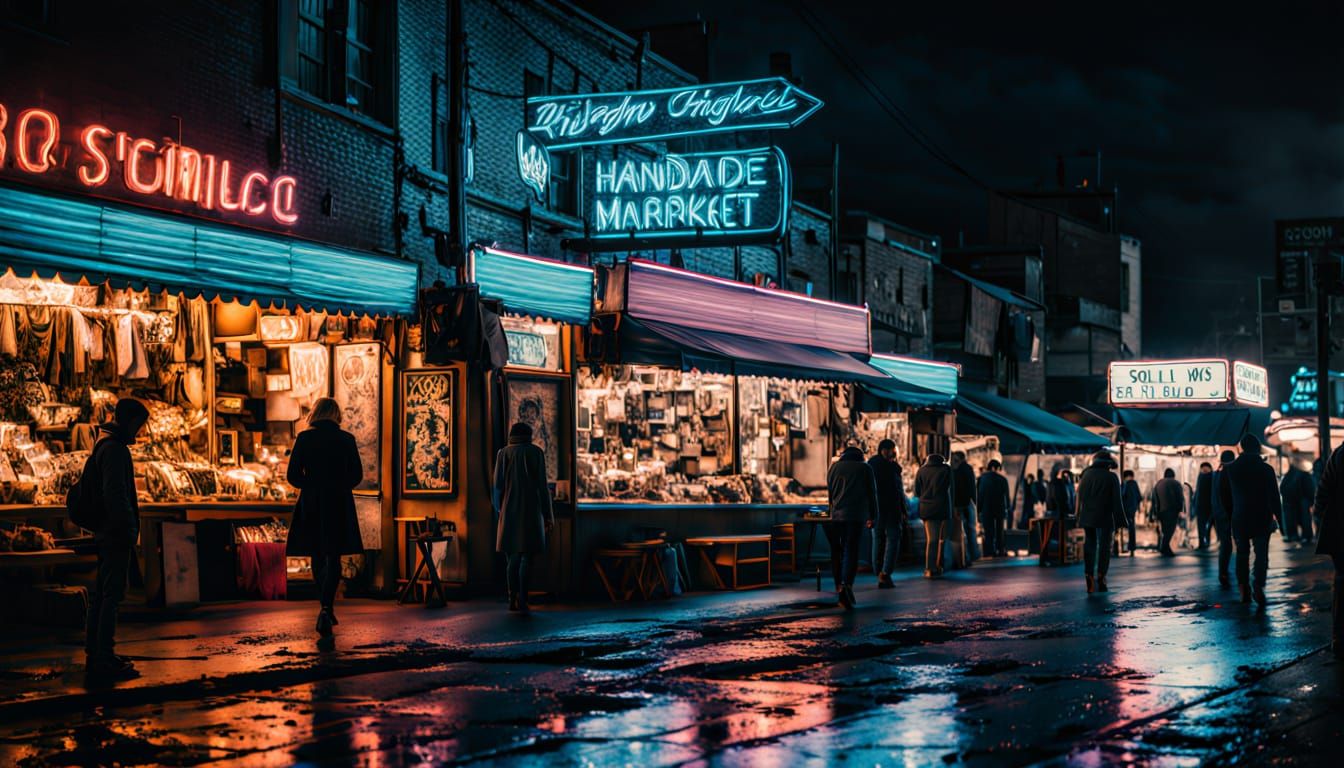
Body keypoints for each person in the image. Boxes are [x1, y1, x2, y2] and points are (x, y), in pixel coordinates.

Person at [83, 397, 150, 680]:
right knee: (111, 596)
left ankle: (96, 653)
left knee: (102, 595)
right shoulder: (114, 450)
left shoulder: (106, 444)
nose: (140, 430)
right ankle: (104, 657)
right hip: (115, 533)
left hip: (107, 531)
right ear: (130, 421)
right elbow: (116, 494)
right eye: (139, 424)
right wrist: (128, 528)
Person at [286, 397, 364, 635]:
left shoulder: (304, 438)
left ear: (315, 414)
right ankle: (327, 607)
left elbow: (292, 475)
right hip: (339, 502)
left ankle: (323, 606)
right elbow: (357, 475)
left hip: (313, 502)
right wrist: (339, 485)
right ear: (336, 415)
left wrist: (310, 485)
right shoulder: (346, 439)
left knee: (317, 554)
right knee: (334, 554)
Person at [493, 421, 555, 613]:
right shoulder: (536, 453)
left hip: (508, 510)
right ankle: (523, 598)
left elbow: (497, 486)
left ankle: (511, 597)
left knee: (512, 557)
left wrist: (499, 510)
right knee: (527, 557)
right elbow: (543, 488)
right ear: (529, 435)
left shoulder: (503, 454)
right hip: (531, 510)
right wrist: (548, 514)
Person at [1218, 435, 1281, 608]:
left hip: (1239, 518)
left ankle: (1243, 588)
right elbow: (1274, 497)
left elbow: (1224, 496)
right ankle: (1258, 586)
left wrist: (1231, 514)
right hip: (1262, 517)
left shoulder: (1230, 469)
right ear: (1258, 448)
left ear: (1242, 448)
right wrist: (1281, 520)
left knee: (1242, 554)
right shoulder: (1266, 469)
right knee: (1261, 555)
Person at [826, 444, 877, 608]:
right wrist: (873, 515)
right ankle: (847, 585)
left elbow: (830, 493)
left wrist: (832, 510)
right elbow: (872, 494)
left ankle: (838, 585)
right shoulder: (865, 468)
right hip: (855, 516)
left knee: (837, 550)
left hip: (836, 516)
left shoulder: (833, 467)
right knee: (851, 549)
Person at [1312, 442, 1344, 656]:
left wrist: (1321, 518)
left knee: (1342, 582)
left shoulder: (1339, 454)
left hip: (1340, 530)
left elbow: (1322, 493)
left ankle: (1339, 638)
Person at [1077, 451, 1124, 594]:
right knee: (1104, 547)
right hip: (1105, 517)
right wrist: (1120, 521)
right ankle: (1101, 577)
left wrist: (1078, 515)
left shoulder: (1086, 475)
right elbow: (1117, 501)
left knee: (1090, 544)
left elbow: (1080, 497)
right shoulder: (1111, 477)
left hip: (1087, 516)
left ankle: (1089, 576)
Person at [868, 439, 904, 589]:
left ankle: (879, 572)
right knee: (893, 539)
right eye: (890, 450)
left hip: (876, 509)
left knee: (878, 540)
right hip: (890, 509)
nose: (892, 452)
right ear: (884, 450)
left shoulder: (871, 465)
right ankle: (885, 573)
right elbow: (897, 491)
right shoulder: (890, 467)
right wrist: (903, 509)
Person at [914, 453, 953, 578]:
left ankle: (933, 567)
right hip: (941, 507)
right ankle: (931, 568)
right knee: (936, 539)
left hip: (926, 507)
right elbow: (952, 488)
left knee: (933, 539)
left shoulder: (921, 470)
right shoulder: (946, 469)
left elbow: (917, 492)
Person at [1212, 450, 1236, 587]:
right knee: (1235, 544)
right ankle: (1236, 574)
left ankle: (1223, 572)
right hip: (1228, 514)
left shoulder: (1216, 475)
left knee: (1225, 545)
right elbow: (1229, 497)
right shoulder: (1230, 474)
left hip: (1219, 514)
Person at [977, 459, 1010, 557]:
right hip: (1000, 509)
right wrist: (1007, 507)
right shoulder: (1003, 479)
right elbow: (1007, 496)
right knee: (1000, 531)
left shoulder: (982, 479)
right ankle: (1000, 550)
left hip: (986, 509)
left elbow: (980, 495)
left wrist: (978, 510)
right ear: (995, 468)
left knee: (988, 531)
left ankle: (989, 551)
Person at [949, 451, 976, 567]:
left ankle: (965, 557)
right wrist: (974, 501)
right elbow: (972, 487)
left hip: (958, 504)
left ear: (959, 459)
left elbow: (954, 489)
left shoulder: (954, 470)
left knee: (961, 532)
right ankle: (972, 555)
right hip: (967, 502)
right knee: (970, 530)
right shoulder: (968, 469)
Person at [1152, 468, 1184, 556]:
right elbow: (1180, 497)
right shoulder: (1176, 483)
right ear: (1173, 475)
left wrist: (1155, 512)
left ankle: (1166, 548)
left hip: (1161, 511)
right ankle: (1164, 547)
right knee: (1170, 530)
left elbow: (1154, 499)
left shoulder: (1158, 484)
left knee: (1165, 530)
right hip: (1172, 511)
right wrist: (1180, 509)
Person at [1193, 462, 1215, 550]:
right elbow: (1198, 493)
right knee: (1202, 526)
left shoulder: (1211, 477)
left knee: (1208, 526)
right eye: (1203, 469)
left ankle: (1205, 543)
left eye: (1206, 469)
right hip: (1202, 507)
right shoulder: (1201, 477)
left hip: (1210, 506)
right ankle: (1203, 543)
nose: (1204, 470)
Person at [1121, 470, 1142, 556]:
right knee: (1131, 529)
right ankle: (1132, 549)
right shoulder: (1134, 484)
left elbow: (1121, 496)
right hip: (1131, 510)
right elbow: (1139, 497)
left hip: (1124, 510)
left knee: (1119, 529)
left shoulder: (1124, 484)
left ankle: (1120, 546)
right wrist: (1136, 507)